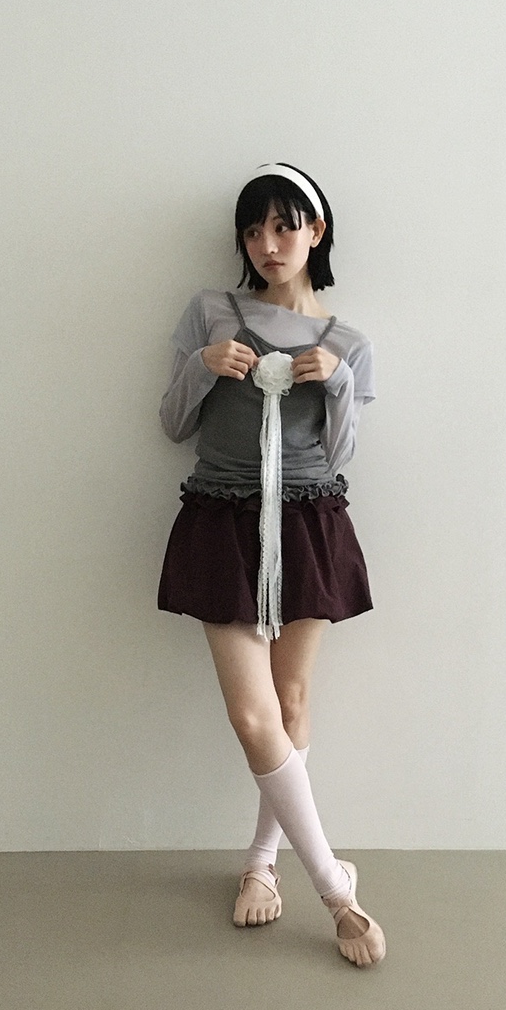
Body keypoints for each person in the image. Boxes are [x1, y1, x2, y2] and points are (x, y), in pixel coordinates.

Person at [157, 163, 385, 967]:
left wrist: (340, 383)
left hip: (309, 520)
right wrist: (202, 366)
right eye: (253, 231)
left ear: (315, 232)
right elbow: (172, 424)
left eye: (284, 227)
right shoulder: (211, 312)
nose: (267, 245)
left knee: (290, 701)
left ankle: (261, 864)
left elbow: (341, 452)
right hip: (222, 519)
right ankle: (336, 890)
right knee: (253, 715)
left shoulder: (348, 342)